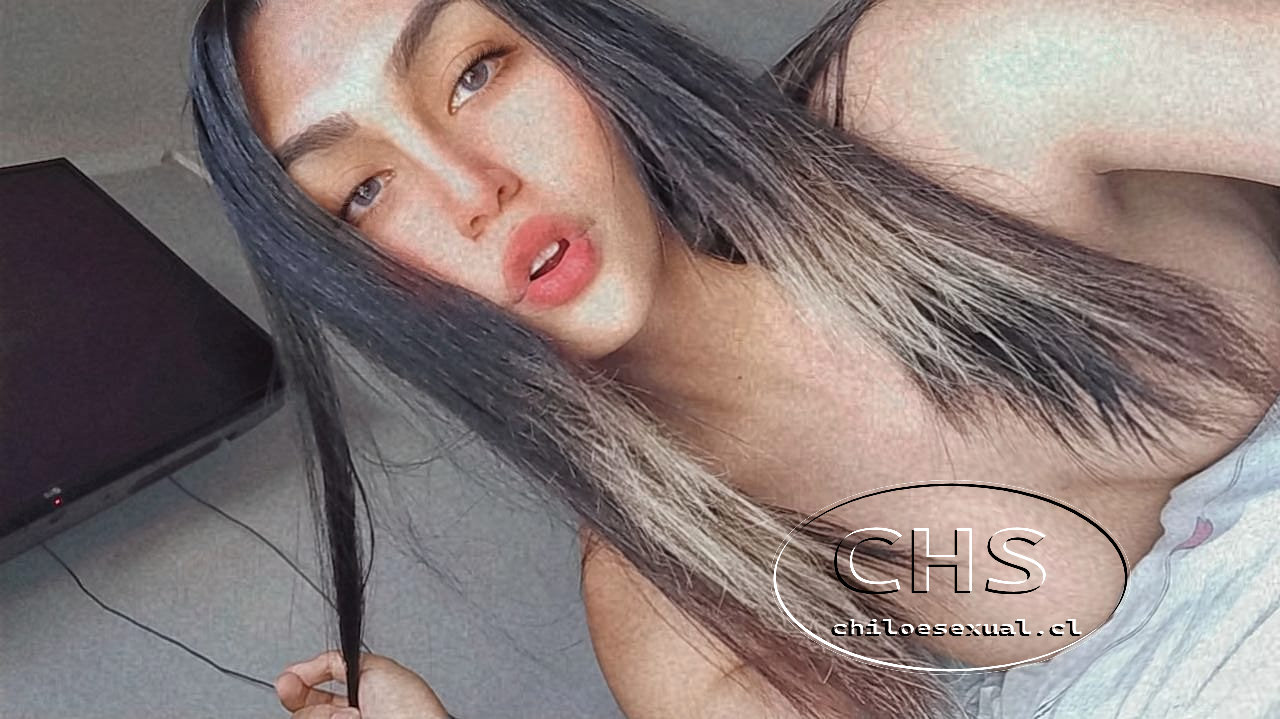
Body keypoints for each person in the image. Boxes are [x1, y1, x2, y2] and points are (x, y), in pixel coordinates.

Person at [186, 0, 1280, 717]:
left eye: (475, 71)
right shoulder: (667, 596)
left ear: (584, 52)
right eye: (364, 192)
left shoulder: (955, 91)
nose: (473, 190)